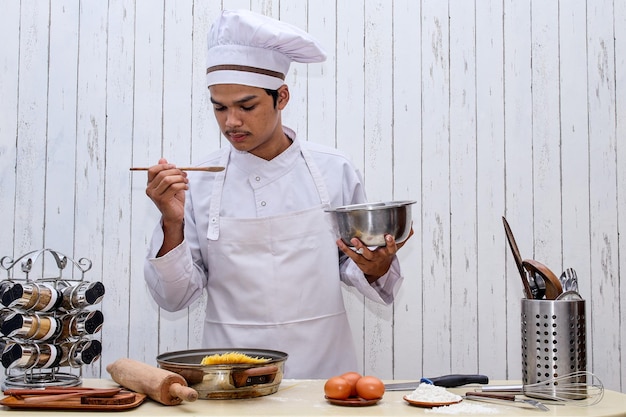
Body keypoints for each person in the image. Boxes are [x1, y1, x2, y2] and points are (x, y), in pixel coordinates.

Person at [143, 9, 412, 379]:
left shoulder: (335, 170)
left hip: (323, 374)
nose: (231, 122)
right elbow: (173, 298)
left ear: (281, 96)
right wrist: (171, 222)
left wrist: (377, 266)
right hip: (229, 378)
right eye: (219, 108)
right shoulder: (198, 184)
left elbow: (355, 262)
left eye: (246, 106)